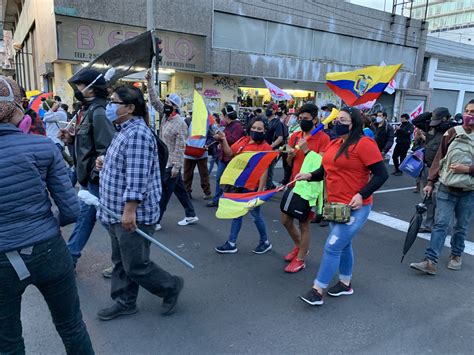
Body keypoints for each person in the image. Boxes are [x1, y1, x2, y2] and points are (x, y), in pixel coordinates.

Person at [0, 76, 94, 354]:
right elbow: (71, 209)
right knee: (72, 326)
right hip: (49, 251)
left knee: (8, 341)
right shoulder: (43, 148)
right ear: (17, 107)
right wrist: (44, 225)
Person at [95, 86, 184, 320]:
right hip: (114, 212)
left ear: (130, 108)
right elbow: (123, 162)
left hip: (132, 215)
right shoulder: (123, 130)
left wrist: (129, 211)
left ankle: (170, 286)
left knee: (135, 265)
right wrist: (103, 162)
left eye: (115, 102)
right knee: (121, 261)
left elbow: (136, 179)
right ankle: (125, 302)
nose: (110, 106)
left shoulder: (137, 135)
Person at [296, 107, 388, 306]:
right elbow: (325, 169)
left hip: (356, 206)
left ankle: (317, 290)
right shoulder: (334, 143)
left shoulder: (365, 144)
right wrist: (310, 175)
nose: (337, 123)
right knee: (343, 245)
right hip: (335, 205)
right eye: (336, 119)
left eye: (343, 120)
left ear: (353, 123)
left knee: (332, 245)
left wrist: (361, 194)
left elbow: (382, 175)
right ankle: (345, 283)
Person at [59, 69, 116, 267]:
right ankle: (71, 256)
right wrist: (70, 139)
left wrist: (93, 174)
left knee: (111, 223)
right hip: (89, 178)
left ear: (91, 90)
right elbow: (87, 144)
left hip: (95, 180)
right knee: (92, 219)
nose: (78, 89)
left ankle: (127, 261)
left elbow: (107, 149)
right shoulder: (87, 110)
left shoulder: (99, 112)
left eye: (80, 86)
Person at [410, 100, 474, 275]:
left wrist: (468, 169)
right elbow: (439, 158)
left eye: (473, 112)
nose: (469, 115)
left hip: (468, 192)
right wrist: (430, 182)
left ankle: (456, 255)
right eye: (467, 111)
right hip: (446, 187)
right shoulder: (452, 132)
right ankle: (430, 260)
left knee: (461, 226)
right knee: (440, 224)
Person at [146, 71, 199, 229]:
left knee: (164, 193)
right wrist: (149, 82)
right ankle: (191, 214)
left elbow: (181, 146)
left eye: (169, 104)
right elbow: (154, 101)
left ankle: (156, 221)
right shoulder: (165, 116)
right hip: (164, 161)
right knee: (180, 190)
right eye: (166, 102)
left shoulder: (180, 123)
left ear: (176, 107)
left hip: (171, 165)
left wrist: (176, 166)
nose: (166, 105)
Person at [282, 104, 330, 273]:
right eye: (300, 119)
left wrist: (306, 149)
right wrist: (290, 156)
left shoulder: (324, 138)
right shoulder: (295, 136)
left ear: (315, 120)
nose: (302, 122)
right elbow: (289, 163)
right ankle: (298, 246)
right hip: (294, 183)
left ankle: (301, 258)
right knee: (285, 220)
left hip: (310, 187)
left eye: (306, 119)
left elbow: (322, 164)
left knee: (304, 224)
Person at [214, 117, 273, 254]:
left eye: (259, 129)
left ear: (265, 131)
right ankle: (231, 243)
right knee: (237, 213)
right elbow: (229, 153)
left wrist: (260, 189)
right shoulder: (243, 140)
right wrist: (223, 140)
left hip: (252, 186)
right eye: (254, 128)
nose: (256, 130)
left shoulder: (265, 147)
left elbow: (264, 169)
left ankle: (265, 242)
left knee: (255, 216)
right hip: (238, 183)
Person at [412, 107, 452, 233]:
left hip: (442, 170)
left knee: (440, 200)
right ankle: (428, 224)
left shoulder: (451, 130)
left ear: (445, 119)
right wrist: (432, 114)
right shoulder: (431, 127)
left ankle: (441, 225)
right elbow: (416, 121)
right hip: (427, 167)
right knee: (427, 198)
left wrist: (446, 123)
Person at [206, 105, 245, 207]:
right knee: (220, 178)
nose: (221, 118)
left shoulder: (237, 126)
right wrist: (220, 139)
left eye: (222, 116)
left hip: (231, 158)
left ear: (226, 116)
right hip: (224, 157)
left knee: (229, 181)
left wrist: (221, 138)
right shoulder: (229, 125)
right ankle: (217, 199)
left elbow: (233, 140)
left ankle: (228, 200)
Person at [182, 114, 212, 200]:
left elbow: (210, 136)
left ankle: (207, 192)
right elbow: (182, 133)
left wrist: (207, 144)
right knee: (187, 174)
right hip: (189, 151)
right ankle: (187, 192)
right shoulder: (187, 121)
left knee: (204, 174)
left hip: (202, 152)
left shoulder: (206, 123)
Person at [264, 102, 285, 189]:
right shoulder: (264, 120)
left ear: (274, 111)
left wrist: (271, 147)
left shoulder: (277, 123)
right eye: (267, 108)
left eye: (270, 108)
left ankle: (268, 187)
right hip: (263, 148)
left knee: (269, 169)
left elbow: (280, 138)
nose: (267, 110)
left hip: (271, 149)